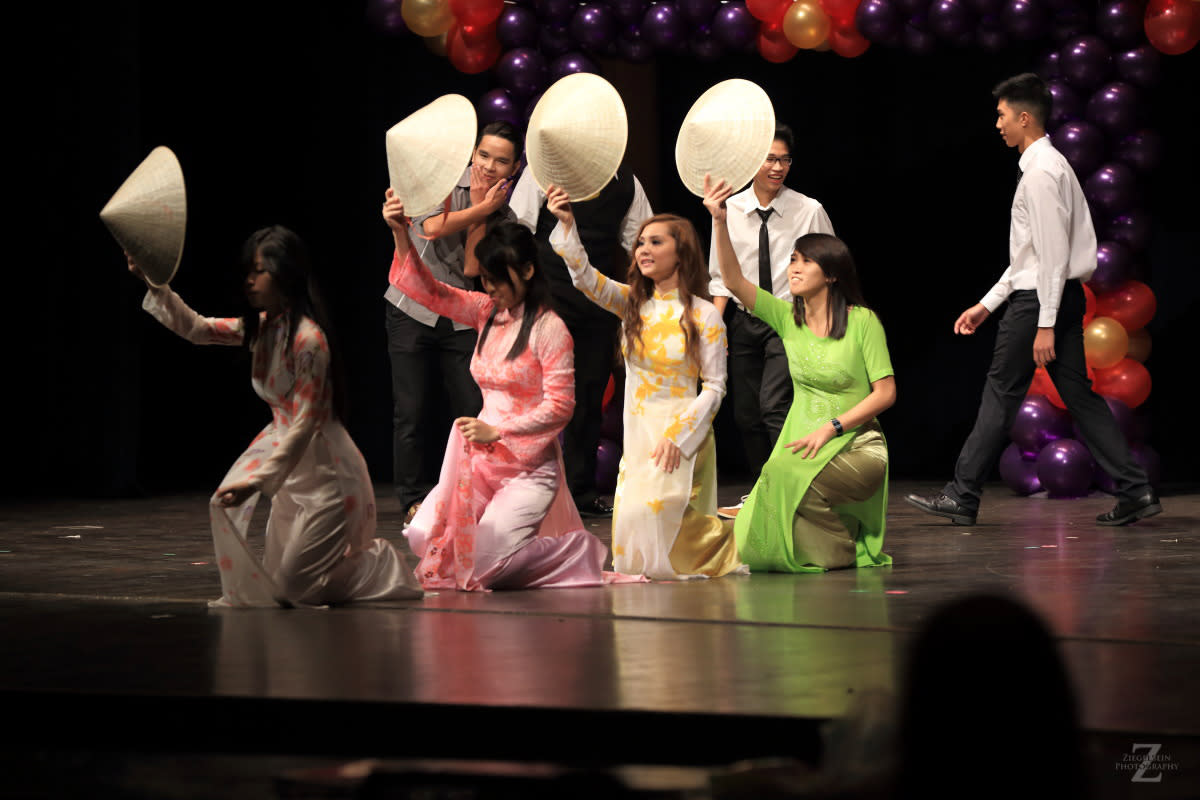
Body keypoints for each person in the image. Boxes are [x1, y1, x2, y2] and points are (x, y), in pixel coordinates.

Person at [906, 73, 1161, 527]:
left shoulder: (1042, 174)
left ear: (1025, 118)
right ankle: (1136, 489)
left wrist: (1044, 322)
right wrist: (987, 304)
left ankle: (962, 494)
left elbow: (1053, 256)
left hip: (1042, 301)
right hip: (1049, 296)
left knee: (1000, 393)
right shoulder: (1049, 167)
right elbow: (1031, 257)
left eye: (1002, 115)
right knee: (1080, 398)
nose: (997, 124)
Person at [128, 227, 425, 607]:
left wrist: (258, 480)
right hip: (290, 475)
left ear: (285, 274)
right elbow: (199, 329)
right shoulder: (266, 328)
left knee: (291, 591)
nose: (250, 280)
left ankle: (379, 566)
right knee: (279, 588)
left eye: (260, 271)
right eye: (248, 271)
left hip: (328, 478)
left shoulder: (309, 340)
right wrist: (154, 284)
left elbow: (305, 423)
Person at [383, 188, 625, 591]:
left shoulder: (551, 330)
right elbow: (432, 292)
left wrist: (501, 431)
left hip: (529, 469)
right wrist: (399, 233)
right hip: (480, 464)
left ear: (527, 271)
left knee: (489, 565)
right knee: (425, 537)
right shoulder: (486, 312)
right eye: (486, 280)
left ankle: (574, 553)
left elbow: (562, 405)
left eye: (497, 280)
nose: (489, 288)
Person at [546, 185, 744, 580]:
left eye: (655, 241)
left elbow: (715, 388)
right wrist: (567, 222)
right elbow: (584, 278)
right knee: (637, 543)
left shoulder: (704, 315)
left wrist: (679, 436)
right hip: (640, 436)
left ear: (681, 252)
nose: (642, 249)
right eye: (639, 242)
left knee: (671, 544)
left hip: (682, 435)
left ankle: (743, 531)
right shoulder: (633, 305)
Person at [705, 175, 896, 572]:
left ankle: (843, 549)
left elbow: (885, 393)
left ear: (830, 275)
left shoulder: (863, 322)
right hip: (804, 444)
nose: (795, 268)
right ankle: (826, 548)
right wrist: (719, 221)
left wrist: (832, 427)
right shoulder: (786, 318)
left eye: (806, 261)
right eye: (793, 259)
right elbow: (735, 281)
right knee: (765, 507)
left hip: (857, 444)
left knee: (791, 480)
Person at [385, 121, 522, 524]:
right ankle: (412, 499)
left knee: (471, 411)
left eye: (501, 161)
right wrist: (481, 208)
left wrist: (485, 211)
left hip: (463, 319)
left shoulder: (506, 213)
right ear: (471, 153)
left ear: (513, 169)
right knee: (410, 412)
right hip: (412, 309)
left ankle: (476, 495)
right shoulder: (440, 182)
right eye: (484, 155)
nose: (489, 166)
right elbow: (429, 229)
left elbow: (472, 266)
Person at [510, 167, 653, 518]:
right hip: (545, 299)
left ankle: (581, 493)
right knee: (535, 397)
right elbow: (517, 232)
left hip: (597, 302)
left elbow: (640, 242)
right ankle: (524, 492)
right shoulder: (543, 171)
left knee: (588, 399)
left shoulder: (626, 183)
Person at [708, 125, 835, 518]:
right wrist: (710, 329)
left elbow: (829, 266)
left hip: (790, 318)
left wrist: (822, 321)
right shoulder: (729, 210)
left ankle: (793, 488)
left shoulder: (807, 209)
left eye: (784, 159)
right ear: (752, 162)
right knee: (745, 413)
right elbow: (720, 278)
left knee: (773, 405)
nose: (777, 167)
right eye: (769, 159)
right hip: (746, 320)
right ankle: (764, 490)